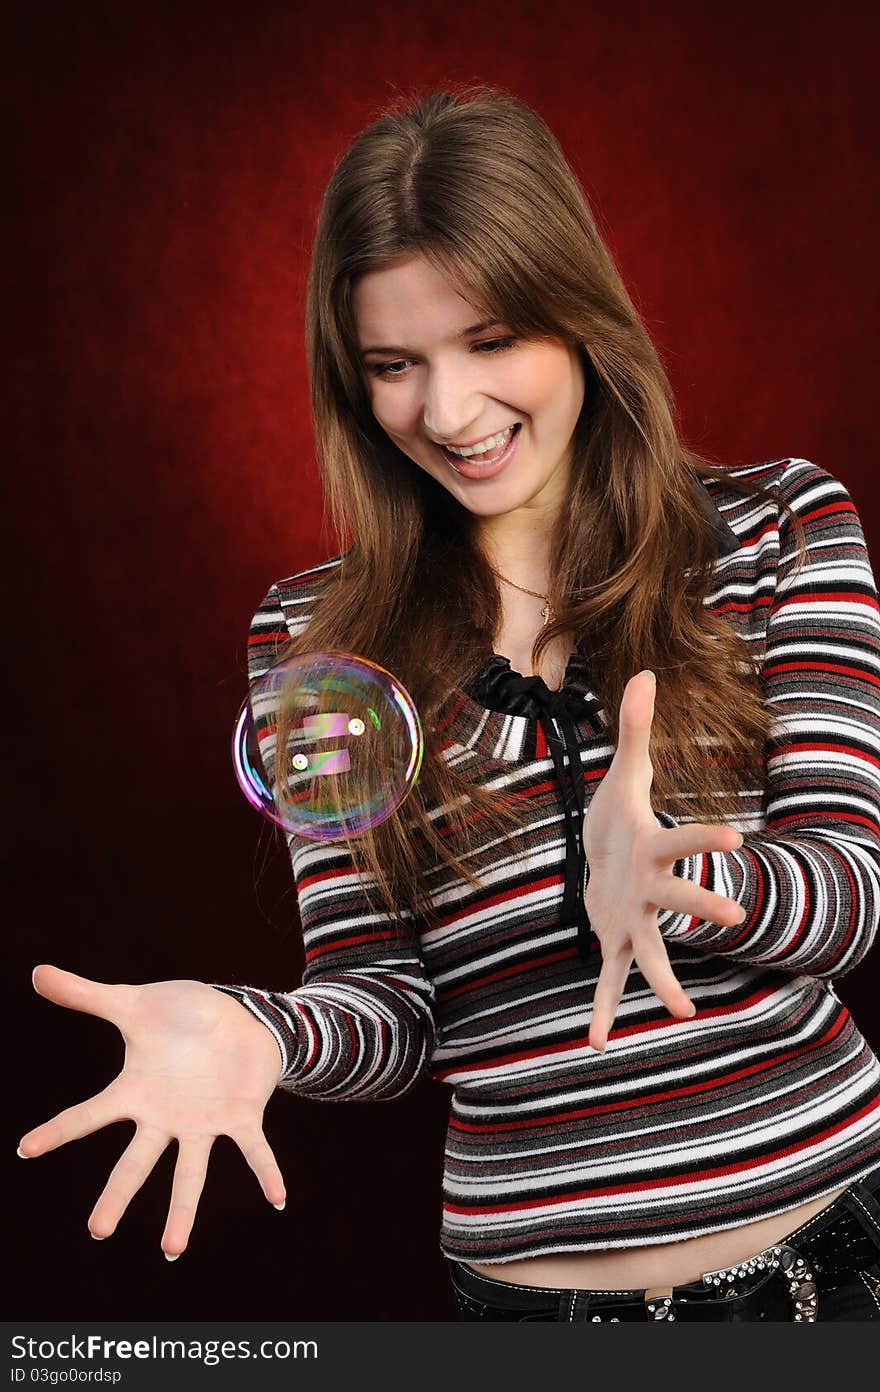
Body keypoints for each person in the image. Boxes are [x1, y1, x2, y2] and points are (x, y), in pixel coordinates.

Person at [18, 85, 880, 1322]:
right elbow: (386, 1003)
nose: (449, 412)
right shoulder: (309, 642)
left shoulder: (776, 528)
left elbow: (850, 897)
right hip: (531, 1315)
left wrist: (695, 880)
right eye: (393, 366)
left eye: (489, 343)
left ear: (576, 316)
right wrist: (265, 1036)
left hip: (837, 1269)